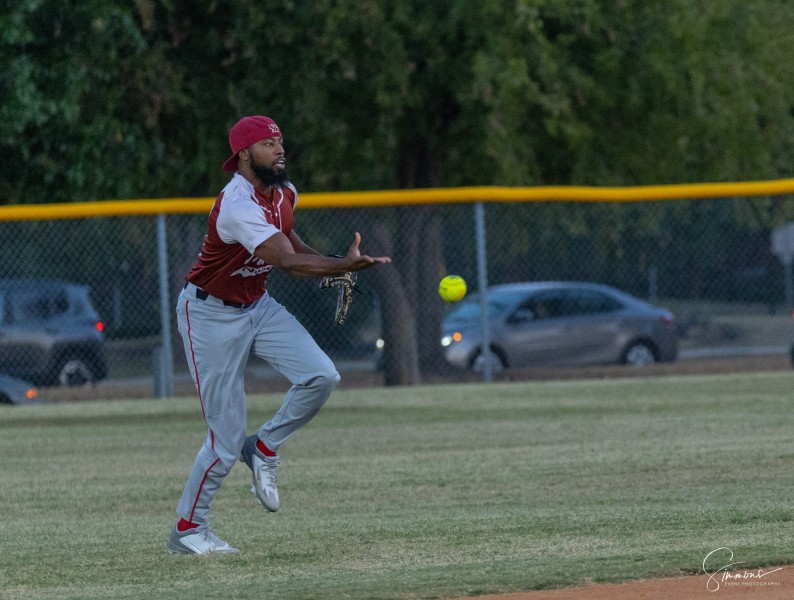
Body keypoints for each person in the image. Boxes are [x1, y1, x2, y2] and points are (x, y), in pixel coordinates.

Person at [167, 115, 391, 555]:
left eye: (280, 141)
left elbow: (289, 242)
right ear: (244, 155)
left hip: (257, 305)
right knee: (225, 439)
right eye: (268, 143)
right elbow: (286, 262)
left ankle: (265, 446)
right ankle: (188, 530)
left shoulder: (284, 192)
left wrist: (330, 262)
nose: (279, 149)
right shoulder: (237, 205)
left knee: (321, 376)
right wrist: (342, 266)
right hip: (210, 316)